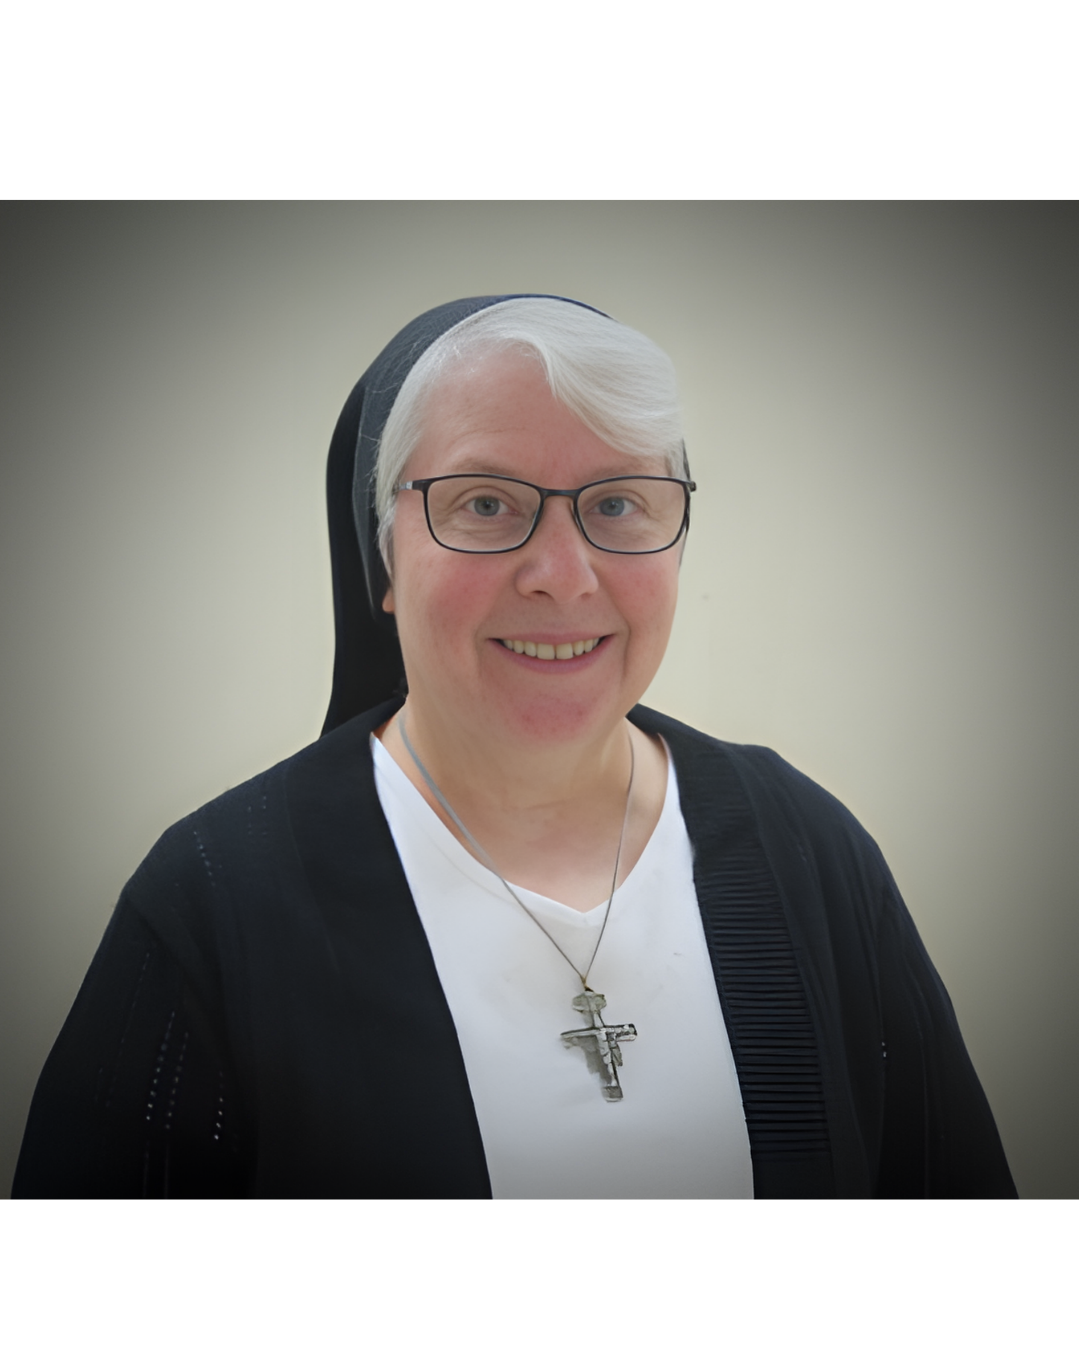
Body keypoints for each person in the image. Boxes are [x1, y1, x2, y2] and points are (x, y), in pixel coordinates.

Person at [14, 295, 1016, 1199]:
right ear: (385, 555)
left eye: (618, 503)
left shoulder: (808, 847)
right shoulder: (212, 901)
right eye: (486, 503)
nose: (562, 575)